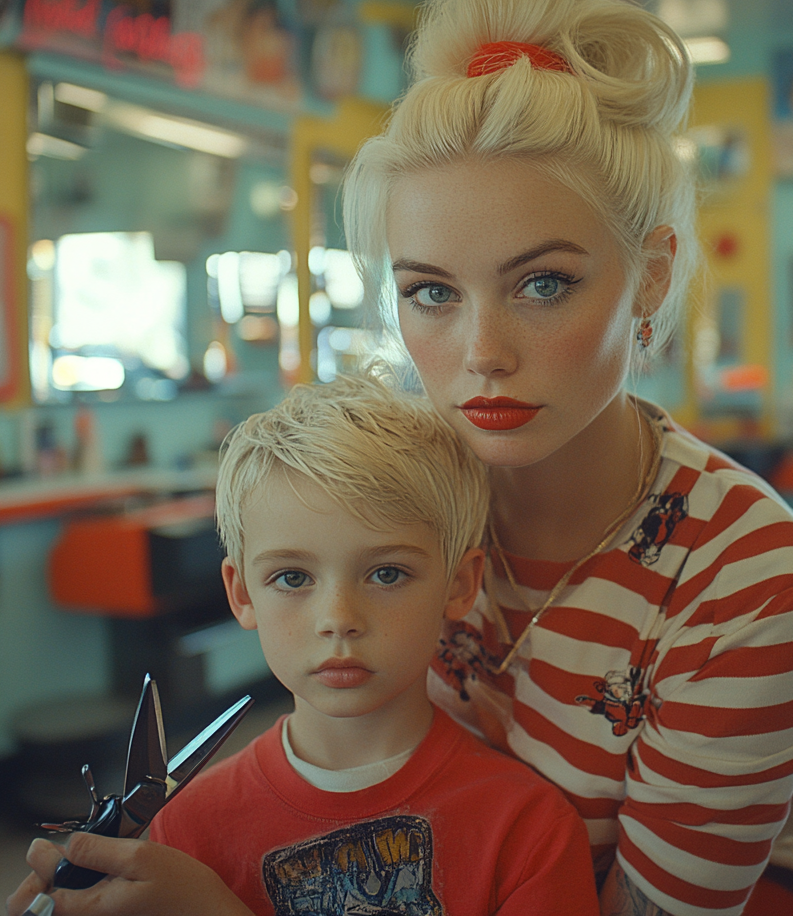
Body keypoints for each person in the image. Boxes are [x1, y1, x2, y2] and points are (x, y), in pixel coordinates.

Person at [341, 0, 793, 916]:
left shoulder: (744, 577)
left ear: (649, 279)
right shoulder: (392, 501)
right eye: (431, 292)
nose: (480, 353)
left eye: (543, 284)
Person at [8, 374, 600, 916]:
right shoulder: (181, 834)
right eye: (292, 578)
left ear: (460, 584)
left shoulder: (528, 834)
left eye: (387, 573)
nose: (337, 620)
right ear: (242, 594)